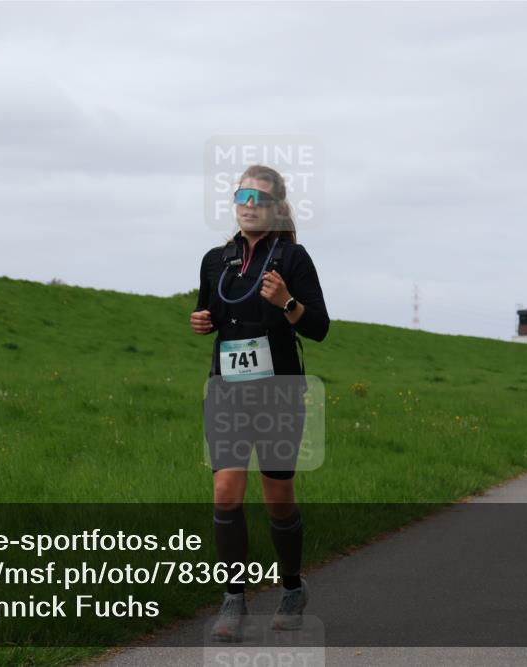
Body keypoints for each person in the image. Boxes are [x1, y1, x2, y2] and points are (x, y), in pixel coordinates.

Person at [190, 164, 329, 641]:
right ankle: (233, 600)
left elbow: (319, 327)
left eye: (259, 198)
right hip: (227, 390)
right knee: (226, 491)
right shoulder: (216, 260)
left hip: (278, 393)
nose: (249, 205)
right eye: (242, 196)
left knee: (278, 499)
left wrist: (288, 302)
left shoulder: (293, 258)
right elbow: (211, 310)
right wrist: (202, 321)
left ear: (277, 207)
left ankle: (292, 588)